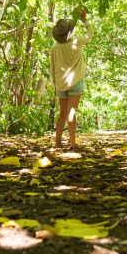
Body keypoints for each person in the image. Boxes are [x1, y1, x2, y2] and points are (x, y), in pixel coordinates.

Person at [50, 8, 93, 150]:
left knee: (62, 112)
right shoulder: (77, 42)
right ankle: (72, 142)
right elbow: (90, 34)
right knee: (72, 110)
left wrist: (55, 83)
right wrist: (85, 20)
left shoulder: (54, 47)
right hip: (76, 81)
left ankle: (57, 142)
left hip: (61, 83)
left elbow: (53, 67)